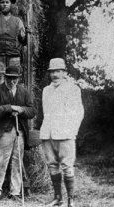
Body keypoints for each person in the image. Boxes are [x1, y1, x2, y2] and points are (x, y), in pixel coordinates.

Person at [40, 58, 84, 207]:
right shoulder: (46, 90)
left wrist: (73, 131)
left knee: (67, 166)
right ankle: (58, 198)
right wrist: (47, 129)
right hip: (48, 134)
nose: (55, 74)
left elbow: (79, 112)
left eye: (58, 71)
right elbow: (46, 112)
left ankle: (71, 200)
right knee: (52, 165)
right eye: (52, 71)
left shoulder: (73, 89)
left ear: (65, 72)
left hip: (65, 134)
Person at [0, 65, 36, 201]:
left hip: (20, 131)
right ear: (5, 77)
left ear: (18, 78)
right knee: (0, 161)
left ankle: (15, 192)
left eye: (14, 78)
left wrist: (21, 110)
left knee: (17, 161)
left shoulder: (24, 92)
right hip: (3, 131)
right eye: (9, 78)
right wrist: (9, 108)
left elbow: (32, 111)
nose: (12, 81)